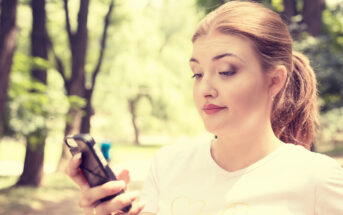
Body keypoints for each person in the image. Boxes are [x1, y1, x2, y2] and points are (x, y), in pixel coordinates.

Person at [66, 1, 343, 214]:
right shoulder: (168, 165)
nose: (205, 89)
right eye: (197, 74)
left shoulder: (318, 180)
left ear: (274, 80)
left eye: (226, 71)